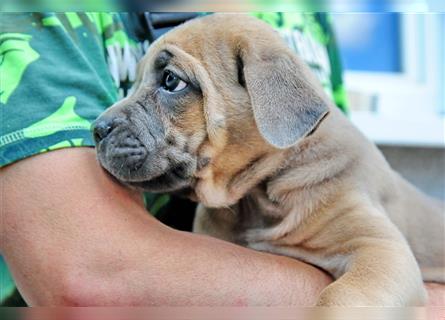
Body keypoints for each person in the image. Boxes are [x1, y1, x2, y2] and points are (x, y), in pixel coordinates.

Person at [0, 12, 442, 306]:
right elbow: (84, 279)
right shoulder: (31, 10)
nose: (109, 123)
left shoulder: (330, 170)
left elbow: (390, 277)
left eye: (171, 83)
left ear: (272, 101)